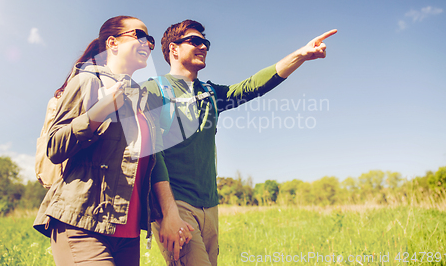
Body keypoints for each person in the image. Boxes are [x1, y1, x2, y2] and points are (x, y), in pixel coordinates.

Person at [143, 20, 337, 265]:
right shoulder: (153, 90)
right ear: (173, 49)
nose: (203, 46)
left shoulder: (211, 93)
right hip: (175, 205)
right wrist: (167, 213)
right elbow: (147, 153)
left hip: (210, 207)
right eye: (195, 41)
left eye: (206, 43)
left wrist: (300, 55)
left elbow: (252, 86)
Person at [33, 16, 192, 265]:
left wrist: (170, 213)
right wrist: (97, 113)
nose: (148, 44)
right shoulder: (88, 81)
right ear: (112, 43)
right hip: (82, 224)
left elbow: (154, 163)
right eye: (139, 36)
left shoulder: (142, 99)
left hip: (127, 234)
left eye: (150, 40)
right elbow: (54, 147)